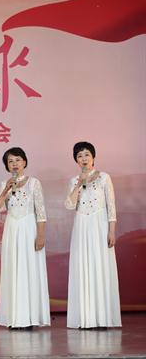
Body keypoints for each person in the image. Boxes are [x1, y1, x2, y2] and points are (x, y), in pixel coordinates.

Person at [65, 141, 121, 328]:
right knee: (83, 266)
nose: (83, 159)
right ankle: (85, 318)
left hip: (100, 225)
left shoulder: (104, 177)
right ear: (76, 160)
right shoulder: (74, 180)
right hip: (81, 226)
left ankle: (102, 317)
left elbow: (111, 206)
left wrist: (111, 230)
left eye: (87, 155)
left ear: (93, 157)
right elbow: (69, 205)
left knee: (100, 265)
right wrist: (78, 185)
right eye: (79, 156)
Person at [0, 147, 50, 329]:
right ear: (7, 166)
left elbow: (41, 212)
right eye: (10, 161)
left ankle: (30, 318)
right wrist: (6, 190)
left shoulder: (34, 183)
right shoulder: (4, 184)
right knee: (13, 269)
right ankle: (15, 318)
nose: (14, 164)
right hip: (12, 228)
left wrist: (41, 235)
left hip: (29, 228)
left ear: (24, 162)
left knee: (29, 268)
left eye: (17, 160)